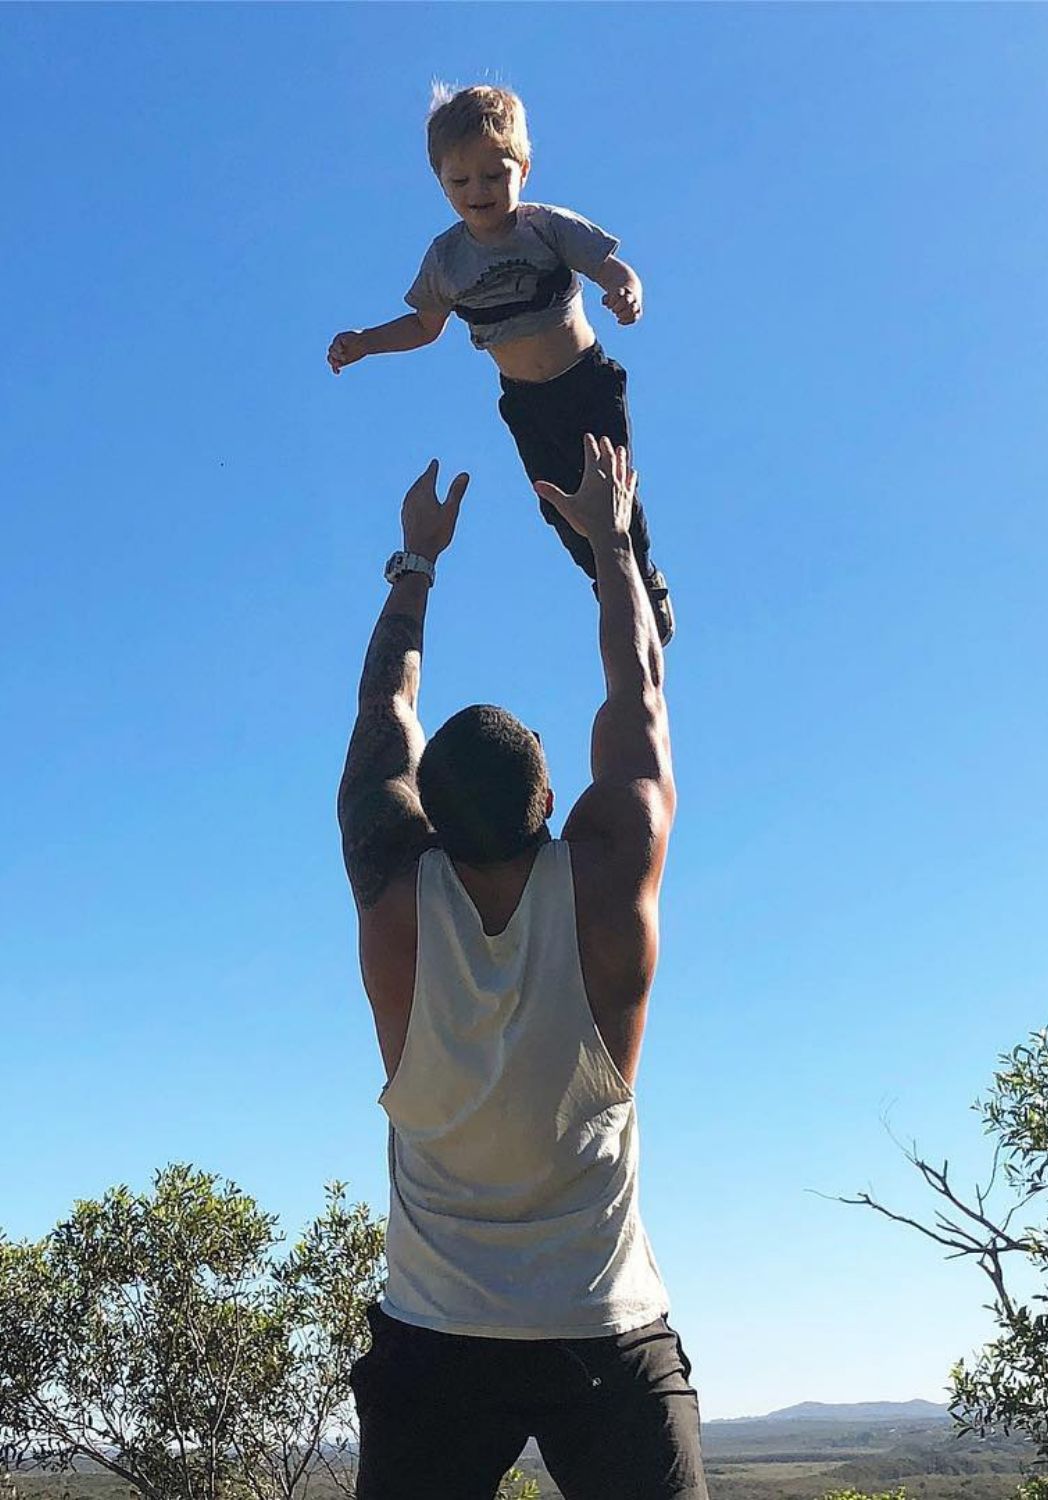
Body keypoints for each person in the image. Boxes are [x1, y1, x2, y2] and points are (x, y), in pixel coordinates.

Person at [337, 435, 706, 1499]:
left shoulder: (392, 899)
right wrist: (610, 541)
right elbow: (638, 695)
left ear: (426, 817)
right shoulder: (605, 885)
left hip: (434, 1341)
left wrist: (415, 564)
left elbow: (382, 718)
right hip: (607, 1329)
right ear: (550, 805)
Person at [326, 83, 674, 647]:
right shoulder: (446, 260)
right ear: (440, 181)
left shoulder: (546, 227)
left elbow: (611, 267)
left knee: (609, 493)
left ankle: (645, 577)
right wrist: (365, 342)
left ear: (524, 169)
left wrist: (627, 292)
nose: (477, 191)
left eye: (493, 175)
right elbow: (423, 326)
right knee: (559, 506)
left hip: (584, 381)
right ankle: (605, 583)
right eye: (459, 181)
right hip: (526, 403)